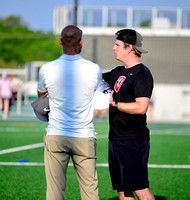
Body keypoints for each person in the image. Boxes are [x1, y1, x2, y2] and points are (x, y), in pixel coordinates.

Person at [37, 25, 105, 200]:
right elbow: (101, 97)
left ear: (60, 41)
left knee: (54, 192)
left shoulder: (46, 69)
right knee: (90, 191)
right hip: (84, 135)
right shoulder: (93, 69)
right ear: (80, 42)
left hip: (56, 134)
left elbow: (41, 96)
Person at [103, 29, 155, 200]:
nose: (113, 48)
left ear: (129, 48)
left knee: (140, 189)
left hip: (133, 140)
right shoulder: (117, 72)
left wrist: (114, 104)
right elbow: (90, 79)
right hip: (115, 139)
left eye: (117, 45)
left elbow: (141, 107)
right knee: (123, 191)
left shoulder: (142, 74)